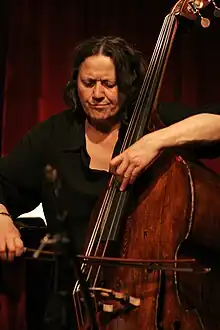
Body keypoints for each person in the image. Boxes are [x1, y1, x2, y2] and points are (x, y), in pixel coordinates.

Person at [0, 35, 220, 328]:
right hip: (72, 304)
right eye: (88, 83)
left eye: (109, 84)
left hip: (151, 304)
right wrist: (1, 217)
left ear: (128, 85)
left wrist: (155, 141)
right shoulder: (53, 136)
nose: (97, 94)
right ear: (75, 83)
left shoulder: (154, 124)